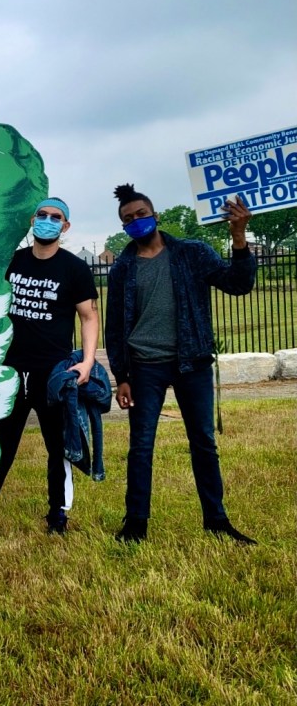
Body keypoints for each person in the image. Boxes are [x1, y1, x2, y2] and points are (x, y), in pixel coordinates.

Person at [106, 184, 257, 544]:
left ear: (155, 216)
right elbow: (114, 327)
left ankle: (216, 521)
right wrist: (121, 376)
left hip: (193, 362)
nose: (135, 222)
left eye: (141, 214)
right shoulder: (123, 267)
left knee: (203, 441)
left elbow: (238, 284)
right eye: (128, 219)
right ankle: (136, 524)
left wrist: (238, 237)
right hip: (145, 366)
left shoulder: (192, 253)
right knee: (141, 445)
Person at [0, 197, 99, 536]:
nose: (47, 220)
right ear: (32, 220)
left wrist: (87, 361)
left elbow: (88, 316)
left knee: (58, 446)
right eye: (42, 215)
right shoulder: (11, 262)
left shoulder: (74, 268)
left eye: (55, 217)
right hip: (10, 369)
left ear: (66, 226)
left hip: (54, 372)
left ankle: (58, 515)